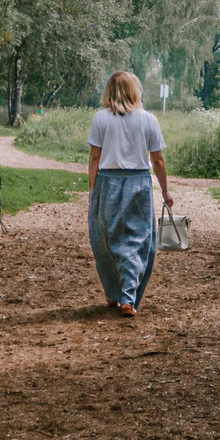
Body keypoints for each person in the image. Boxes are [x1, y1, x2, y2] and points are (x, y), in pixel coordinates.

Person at [87, 70, 174, 317]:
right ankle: (127, 297)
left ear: (109, 91)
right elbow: (157, 160)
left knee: (106, 239)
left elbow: (95, 158)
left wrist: (93, 191)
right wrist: (165, 191)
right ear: (134, 90)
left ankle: (116, 292)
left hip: (107, 182)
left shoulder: (101, 119)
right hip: (139, 183)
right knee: (138, 239)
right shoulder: (149, 120)